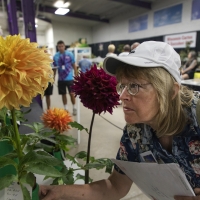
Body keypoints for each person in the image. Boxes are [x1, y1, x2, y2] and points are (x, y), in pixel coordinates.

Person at [39, 41, 200, 200]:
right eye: (122, 86)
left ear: (171, 91)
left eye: (134, 86)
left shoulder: (196, 115)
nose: (122, 96)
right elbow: (115, 186)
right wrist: (60, 192)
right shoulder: (135, 131)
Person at [53, 40, 78, 115]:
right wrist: (53, 77)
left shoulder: (70, 54)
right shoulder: (55, 56)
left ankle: (74, 107)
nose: (61, 48)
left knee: (72, 93)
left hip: (69, 78)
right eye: (59, 46)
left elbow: (74, 65)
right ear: (57, 47)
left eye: (62, 46)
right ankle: (66, 108)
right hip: (61, 79)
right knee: (63, 94)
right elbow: (54, 68)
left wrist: (76, 75)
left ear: (64, 46)